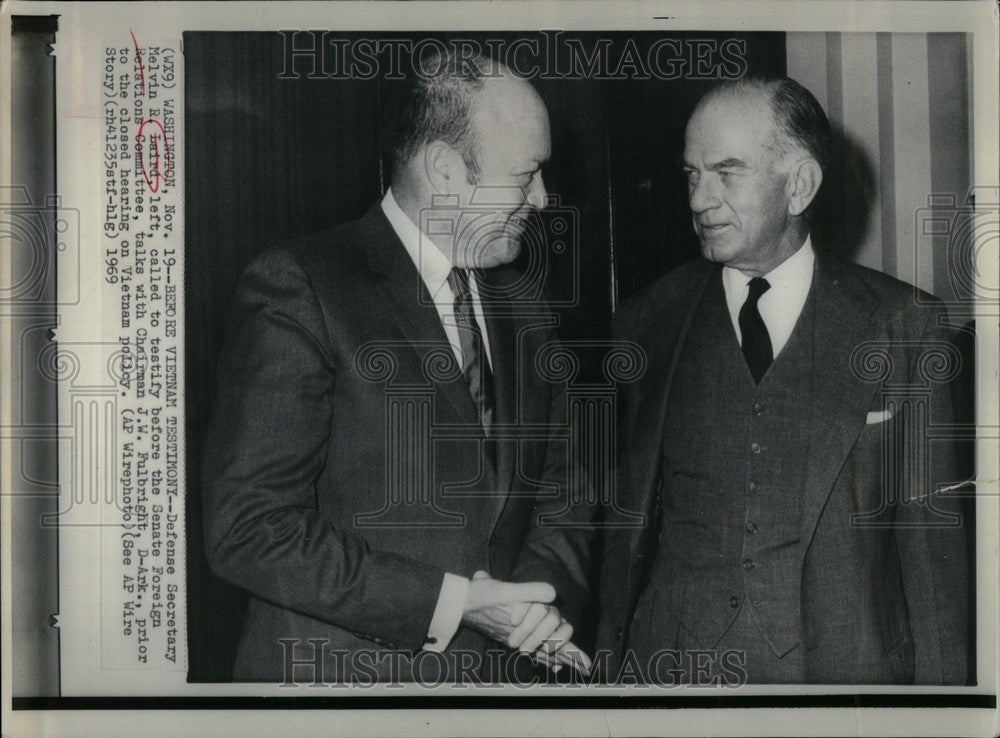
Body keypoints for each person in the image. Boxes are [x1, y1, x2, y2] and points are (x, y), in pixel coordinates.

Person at [202, 50, 593, 683]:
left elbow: (565, 489)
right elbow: (250, 529)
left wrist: (535, 602)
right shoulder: (302, 287)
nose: (543, 200)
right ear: (444, 169)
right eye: (526, 175)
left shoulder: (526, 305)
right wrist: (452, 604)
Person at [595, 76, 969, 684]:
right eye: (691, 174)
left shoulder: (907, 327)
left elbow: (934, 567)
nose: (698, 199)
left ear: (799, 184)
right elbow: (620, 538)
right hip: (671, 679)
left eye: (726, 172)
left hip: (846, 682)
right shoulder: (645, 322)